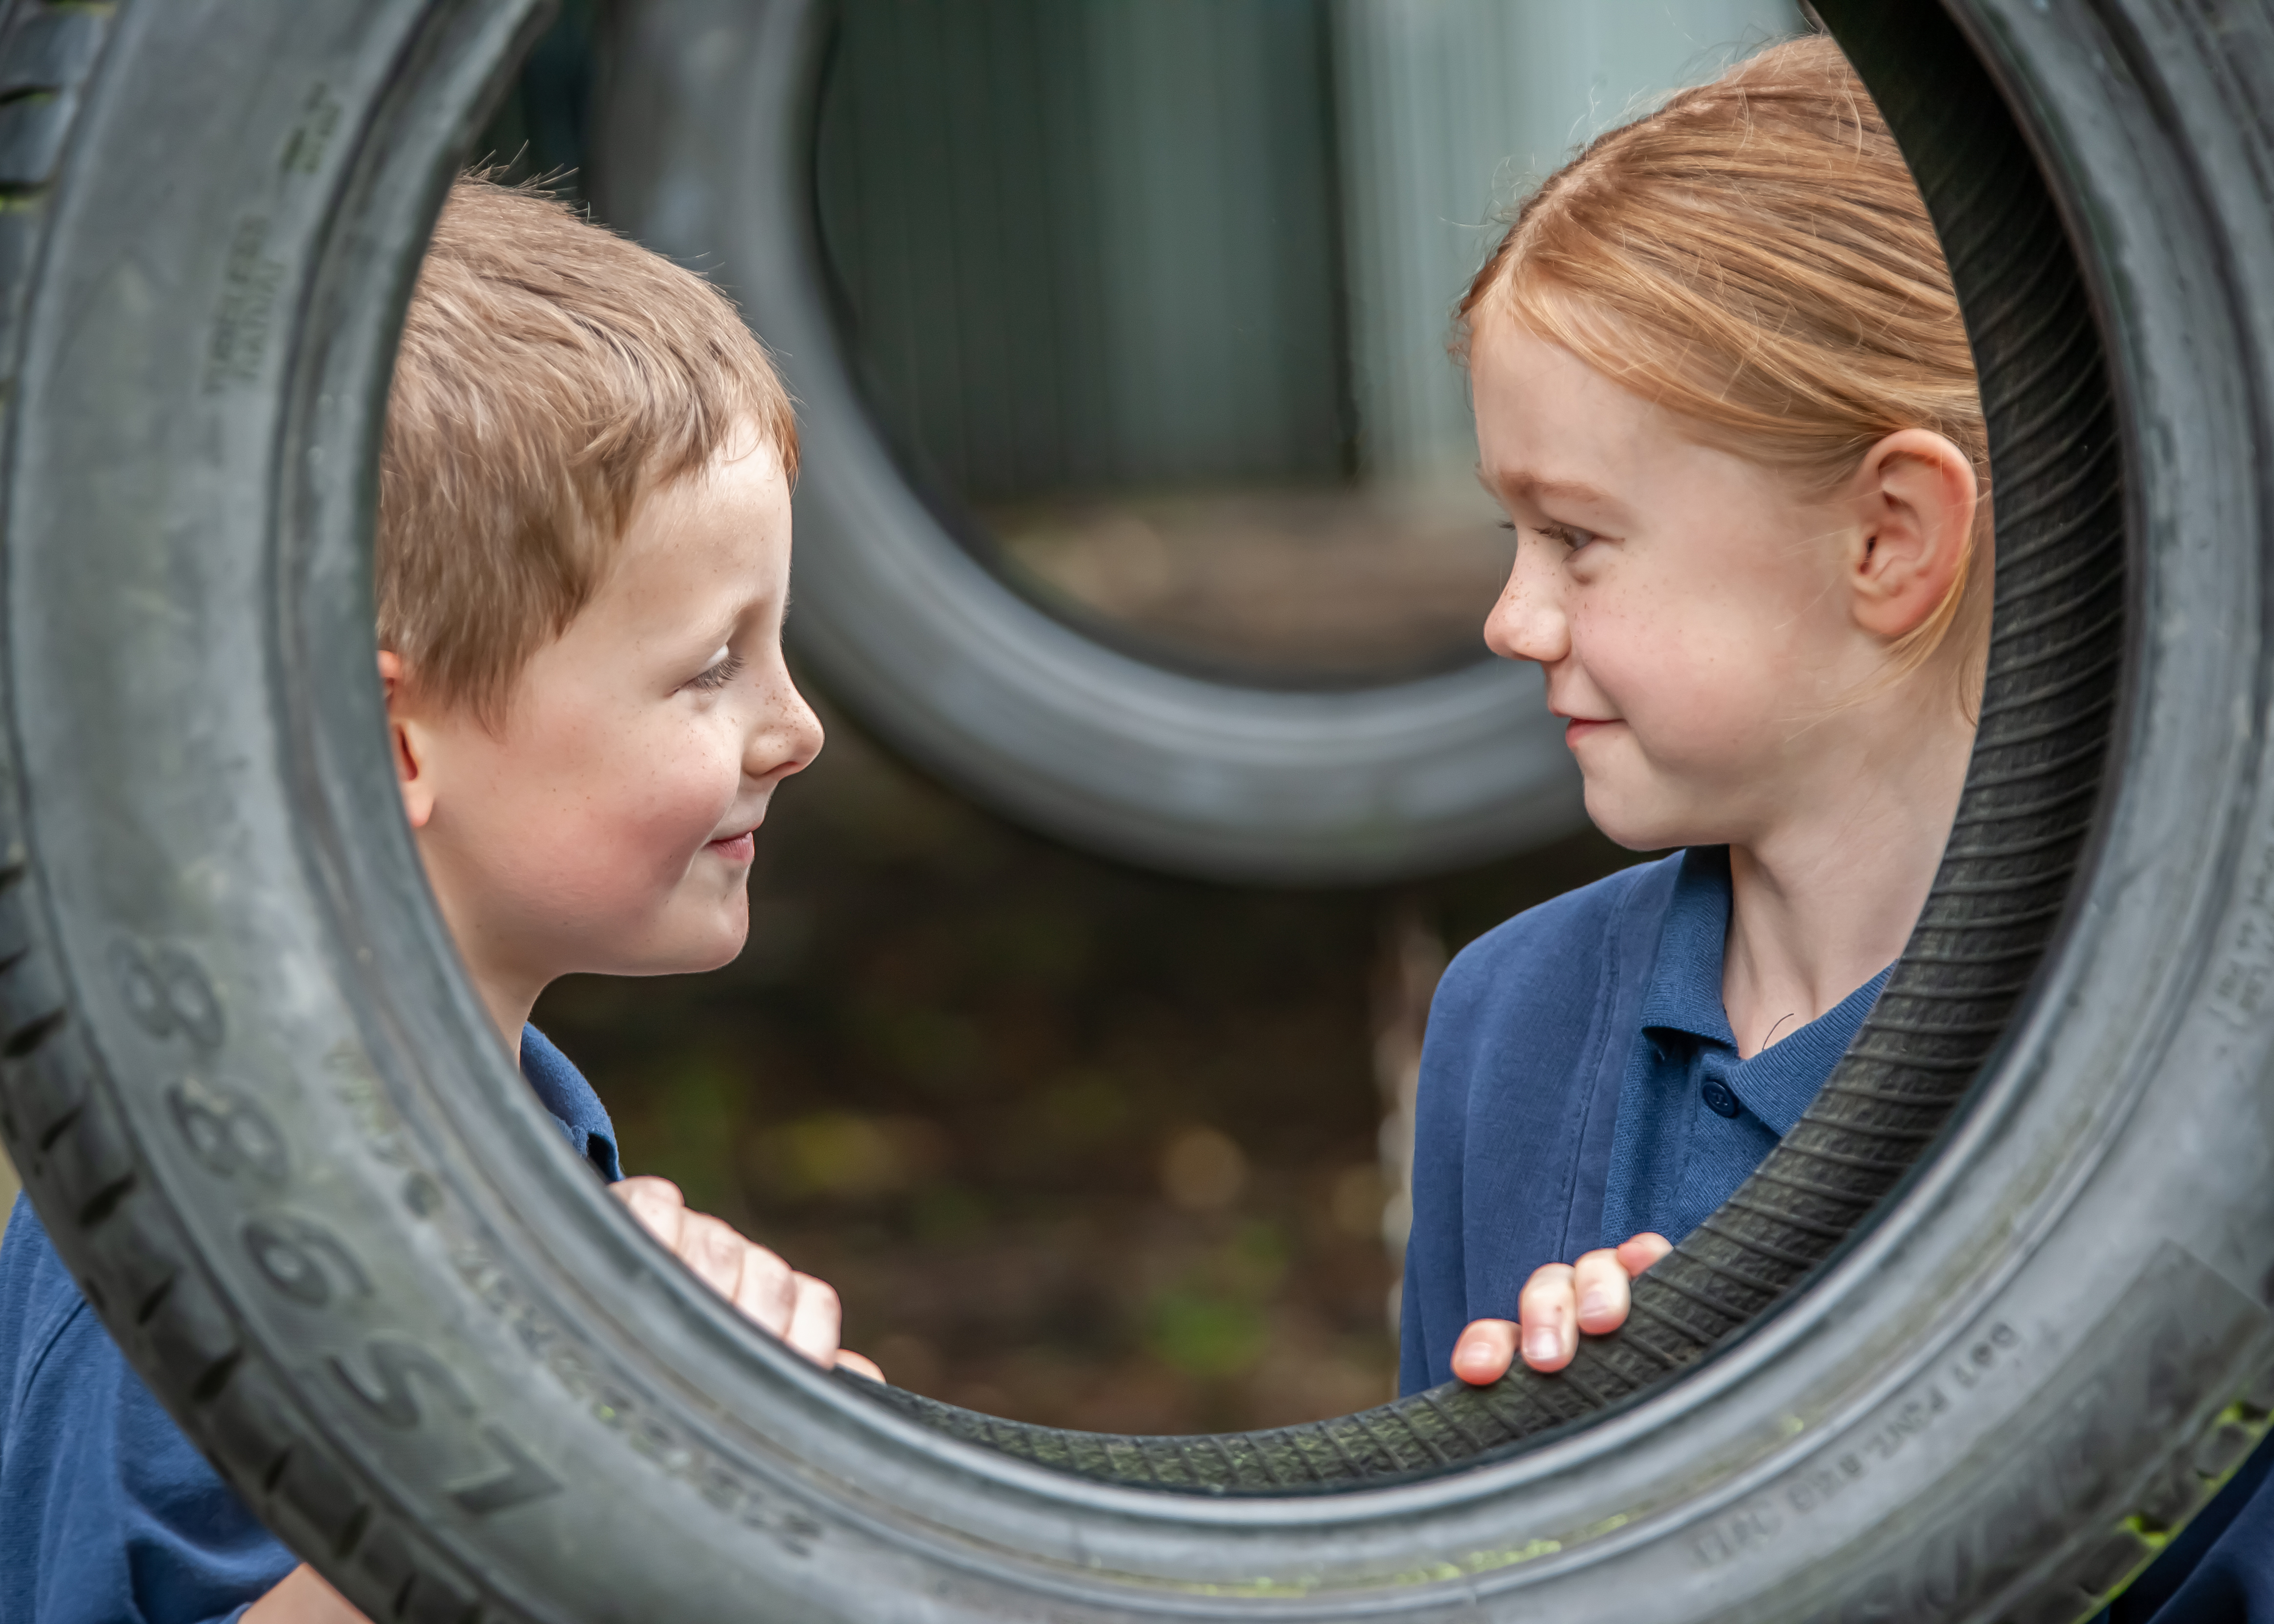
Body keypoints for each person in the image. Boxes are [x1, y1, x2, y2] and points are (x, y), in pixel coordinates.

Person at [1400, 32, 2272, 1622]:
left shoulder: (2200, 1097)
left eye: (1576, 540)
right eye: (1507, 532)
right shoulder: (1506, 1026)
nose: (1511, 618)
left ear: (1889, 537)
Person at [0, 177, 877, 1624]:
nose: (796, 729)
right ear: (389, 740)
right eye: (711, 665)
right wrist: (589, 1452)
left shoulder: (504, 1121)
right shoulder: (200, 1225)